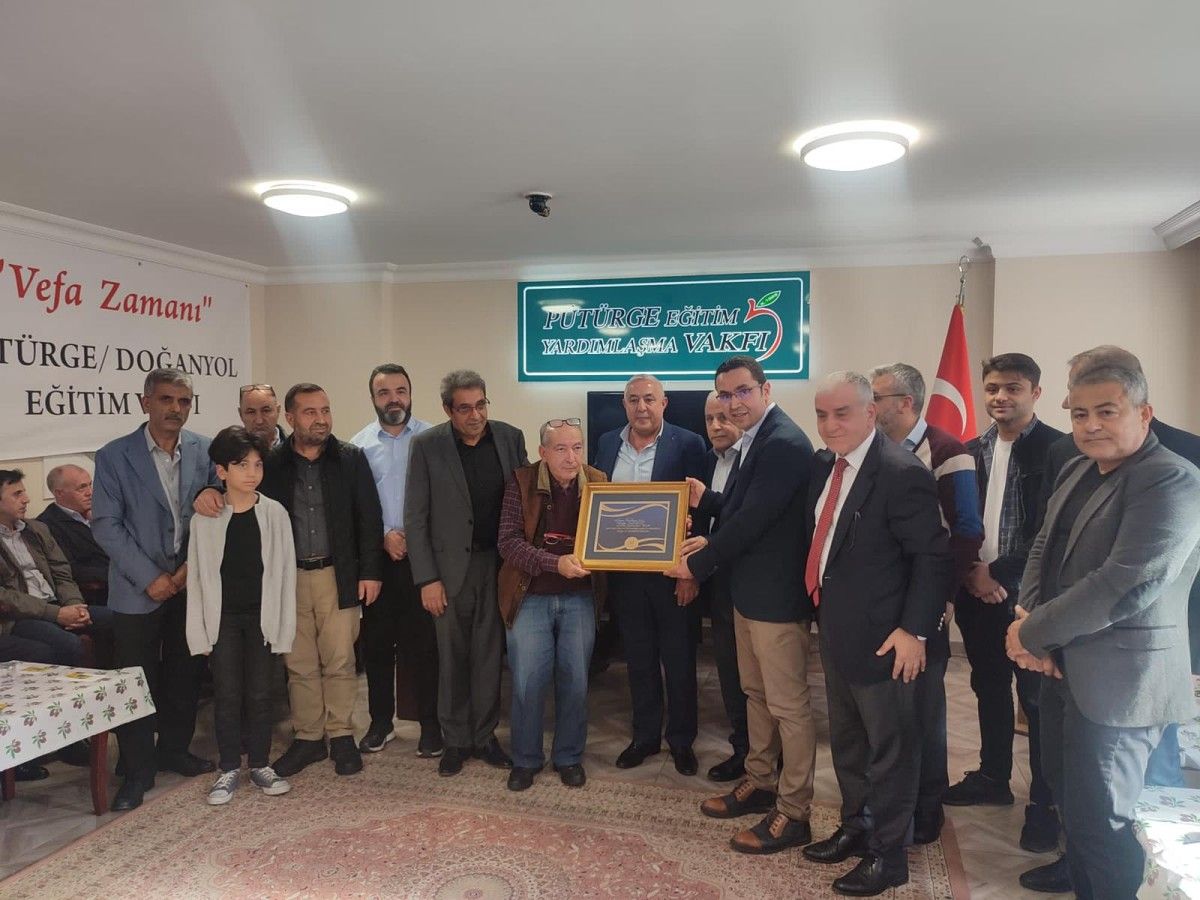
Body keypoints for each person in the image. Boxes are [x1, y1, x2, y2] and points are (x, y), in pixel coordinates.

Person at [1007, 364, 1200, 900]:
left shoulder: (1172, 478)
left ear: (1144, 412)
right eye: (1079, 414)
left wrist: (1032, 634)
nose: (1090, 425)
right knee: (1072, 808)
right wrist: (1030, 622)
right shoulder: (1077, 468)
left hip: (1122, 685)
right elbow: (1042, 548)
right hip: (1061, 667)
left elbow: (1127, 583)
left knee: (1107, 826)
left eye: (1106, 411)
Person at [801, 372, 952, 897]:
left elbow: (933, 558)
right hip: (838, 632)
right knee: (848, 744)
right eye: (822, 414)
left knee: (891, 753)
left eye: (841, 413)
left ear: (870, 413)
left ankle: (889, 857)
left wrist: (915, 631)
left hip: (890, 642)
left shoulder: (900, 471)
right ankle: (856, 827)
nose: (829, 424)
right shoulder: (828, 465)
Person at [665, 355, 817, 856]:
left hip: (776, 599)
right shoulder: (757, 438)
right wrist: (708, 502)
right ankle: (761, 781)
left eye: (742, 391)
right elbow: (740, 508)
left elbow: (752, 521)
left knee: (788, 706)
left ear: (765, 390)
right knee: (756, 695)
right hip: (750, 594)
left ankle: (794, 811)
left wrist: (696, 563)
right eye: (725, 394)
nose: (733, 403)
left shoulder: (784, 442)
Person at [198, 383, 383, 779]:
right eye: (310, 412)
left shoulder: (350, 458)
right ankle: (309, 737)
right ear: (291, 417)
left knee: (340, 660)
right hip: (286, 577)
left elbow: (369, 518)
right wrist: (208, 491)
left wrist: (370, 572)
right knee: (299, 663)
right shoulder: (272, 463)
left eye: (325, 410)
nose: (321, 419)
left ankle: (342, 735)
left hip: (338, 574)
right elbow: (241, 493)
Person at [943, 353, 1064, 856]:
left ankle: (1045, 805)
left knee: (1036, 703)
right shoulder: (971, 450)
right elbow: (959, 518)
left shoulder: (1059, 450)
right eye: (992, 387)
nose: (1000, 397)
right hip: (977, 592)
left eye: (1012, 388)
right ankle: (993, 778)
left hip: (1029, 601)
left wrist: (1000, 574)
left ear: (1035, 392)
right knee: (988, 687)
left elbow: (1051, 532)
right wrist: (974, 572)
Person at [93, 368, 220, 811]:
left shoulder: (205, 450)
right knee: (136, 681)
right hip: (136, 589)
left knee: (185, 673)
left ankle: (174, 750)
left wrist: (184, 573)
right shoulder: (114, 456)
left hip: (189, 582)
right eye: (166, 399)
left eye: (184, 401)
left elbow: (215, 512)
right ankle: (137, 769)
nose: (175, 409)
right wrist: (150, 577)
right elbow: (106, 526)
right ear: (145, 402)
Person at [869, 362, 983, 846]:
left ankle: (927, 808)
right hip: (881, 603)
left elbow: (966, 531)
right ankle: (890, 802)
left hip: (925, 604)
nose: (869, 406)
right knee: (890, 711)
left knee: (924, 710)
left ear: (906, 403)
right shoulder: (872, 449)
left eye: (876, 397)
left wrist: (940, 600)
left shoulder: (948, 451)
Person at [405, 370, 528, 776]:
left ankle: (485, 736)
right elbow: (416, 517)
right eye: (464, 408)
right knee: (452, 658)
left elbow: (527, 500)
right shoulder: (427, 446)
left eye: (480, 405)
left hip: (498, 566)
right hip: (448, 572)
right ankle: (455, 740)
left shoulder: (509, 438)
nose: (475, 415)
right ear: (447, 410)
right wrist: (427, 579)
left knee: (489, 657)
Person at [594, 374, 707, 775]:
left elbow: (700, 512)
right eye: (633, 399)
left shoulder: (689, 443)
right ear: (624, 404)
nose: (641, 407)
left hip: (672, 572)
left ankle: (681, 740)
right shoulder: (607, 443)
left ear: (664, 403)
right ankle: (644, 737)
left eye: (649, 399)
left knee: (679, 660)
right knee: (638, 658)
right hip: (625, 574)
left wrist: (690, 574)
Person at [185, 427, 296, 805]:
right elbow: (198, 579)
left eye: (257, 465)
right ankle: (229, 766)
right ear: (221, 471)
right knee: (228, 693)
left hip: (262, 617)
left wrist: (283, 626)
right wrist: (200, 630)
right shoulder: (205, 519)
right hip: (224, 620)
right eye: (242, 465)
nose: (251, 473)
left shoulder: (275, 513)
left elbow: (285, 574)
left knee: (261, 693)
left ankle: (261, 763)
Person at [496, 418, 607, 790]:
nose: (571, 457)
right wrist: (553, 563)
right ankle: (525, 760)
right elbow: (508, 542)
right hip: (530, 596)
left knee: (575, 680)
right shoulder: (521, 481)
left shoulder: (599, 481)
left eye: (577, 447)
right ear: (543, 452)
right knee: (528, 683)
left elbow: (617, 531)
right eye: (561, 449)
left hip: (580, 597)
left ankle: (569, 757)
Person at [351, 364, 442, 758]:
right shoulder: (358, 446)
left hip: (425, 560)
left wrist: (413, 538)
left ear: (410, 393)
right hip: (379, 562)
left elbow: (444, 500)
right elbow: (357, 508)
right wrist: (385, 536)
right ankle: (380, 723)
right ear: (373, 398)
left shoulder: (433, 439)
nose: (394, 399)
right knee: (376, 646)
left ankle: (430, 725)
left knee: (425, 647)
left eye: (400, 391)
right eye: (384, 393)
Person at [0, 468, 116, 666]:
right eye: (17, 494)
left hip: (59, 605)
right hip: (21, 616)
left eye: (24, 492)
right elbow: (5, 597)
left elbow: (61, 572)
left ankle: (122, 682)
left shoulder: (36, 529)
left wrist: (75, 605)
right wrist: (56, 614)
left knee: (121, 619)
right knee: (68, 644)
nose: (26, 499)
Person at [694, 390, 747, 782]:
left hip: (751, 583)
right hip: (717, 582)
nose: (716, 426)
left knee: (757, 680)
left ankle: (768, 755)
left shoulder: (756, 459)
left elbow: (746, 520)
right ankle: (743, 749)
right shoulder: (707, 460)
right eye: (710, 418)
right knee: (729, 671)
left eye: (724, 418)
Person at [37, 465, 110, 607]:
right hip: (94, 596)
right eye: (81, 488)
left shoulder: (100, 514)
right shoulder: (46, 525)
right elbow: (70, 570)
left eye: (90, 485)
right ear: (59, 493)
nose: (90, 492)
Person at [238, 384, 287, 448]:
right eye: (251, 412)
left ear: (278, 410)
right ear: (241, 414)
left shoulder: (296, 448)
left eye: (266, 411)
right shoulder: (229, 452)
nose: (259, 421)